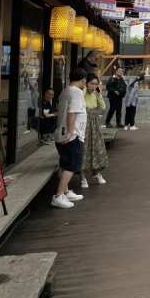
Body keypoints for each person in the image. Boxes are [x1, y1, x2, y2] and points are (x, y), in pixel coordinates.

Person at [51, 68, 87, 209]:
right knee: (72, 165)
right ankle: (59, 196)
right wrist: (71, 133)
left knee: (64, 164)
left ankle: (65, 191)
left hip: (60, 133)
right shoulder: (76, 92)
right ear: (83, 80)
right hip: (72, 135)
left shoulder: (66, 91)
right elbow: (72, 113)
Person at [82, 74, 108, 188]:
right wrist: (83, 89)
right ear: (86, 83)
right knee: (84, 149)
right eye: (91, 83)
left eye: (95, 84)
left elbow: (103, 107)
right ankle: (82, 177)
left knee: (97, 148)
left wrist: (99, 93)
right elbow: (80, 102)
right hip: (84, 124)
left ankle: (97, 173)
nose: (93, 86)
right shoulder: (82, 93)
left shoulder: (95, 94)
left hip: (94, 124)